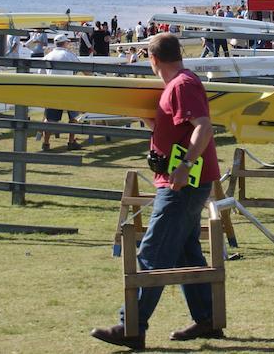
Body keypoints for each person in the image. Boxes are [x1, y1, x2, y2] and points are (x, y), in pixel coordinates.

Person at [90, 33, 223, 348]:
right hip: (184, 181)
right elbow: (181, 128)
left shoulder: (181, 86)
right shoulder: (178, 84)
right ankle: (207, 319)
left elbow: (203, 126)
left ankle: (131, 327)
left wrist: (186, 165)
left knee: (153, 252)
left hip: (183, 183)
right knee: (184, 251)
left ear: (153, 60)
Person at [40, 34, 82, 151]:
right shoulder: (69, 55)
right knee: (74, 117)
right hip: (69, 90)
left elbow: (41, 74)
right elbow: (84, 69)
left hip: (52, 91)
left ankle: (46, 143)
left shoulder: (48, 56)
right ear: (65, 43)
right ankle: (71, 142)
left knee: (50, 119)